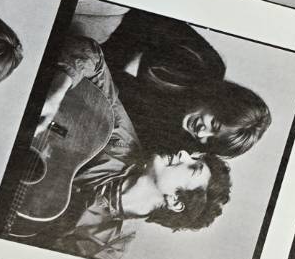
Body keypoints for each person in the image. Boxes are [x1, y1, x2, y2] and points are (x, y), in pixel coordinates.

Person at [12, 35, 232, 259]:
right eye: (193, 156)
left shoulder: (106, 248)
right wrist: (57, 93)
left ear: (176, 201)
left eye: (193, 167)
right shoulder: (123, 142)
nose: (184, 154)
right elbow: (90, 54)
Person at [97, 10, 272, 158]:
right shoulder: (207, 63)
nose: (201, 133)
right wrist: (105, 64)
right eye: (214, 124)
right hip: (108, 36)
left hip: (96, 88)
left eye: (209, 141)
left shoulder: (175, 144)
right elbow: (146, 18)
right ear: (221, 101)